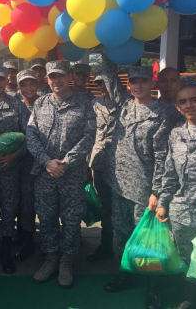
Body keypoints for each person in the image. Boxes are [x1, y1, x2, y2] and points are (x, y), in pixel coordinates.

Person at [100, 57, 172, 309]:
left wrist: (157, 191)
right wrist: (108, 48)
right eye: (133, 81)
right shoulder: (124, 104)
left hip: (144, 189)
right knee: (122, 233)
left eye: (143, 80)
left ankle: (153, 286)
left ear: (152, 82)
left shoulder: (163, 113)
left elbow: (164, 156)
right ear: (128, 85)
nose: (138, 85)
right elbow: (108, 75)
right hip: (118, 183)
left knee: (148, 240)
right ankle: (127, 274)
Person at [27, 60, 96, 289]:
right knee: (46, 218)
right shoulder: (40, 103)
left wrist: (66, 162)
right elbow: (31, 134)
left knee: (71, 219)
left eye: (61, 76)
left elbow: (89, 136)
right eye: (52, 77)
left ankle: (67, 261)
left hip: (72, 174)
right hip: (45, 173)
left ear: (69, 77)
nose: (56, 81)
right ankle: (50, 259)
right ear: (47, 79)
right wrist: (47, 162)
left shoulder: (85, 104)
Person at [156, 84, 196, 309]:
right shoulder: (176, 134)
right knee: (187, 258)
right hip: (182, 212)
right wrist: (163, 202)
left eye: (194, 99)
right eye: (183, 102)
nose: (189, 105)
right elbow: (169, 172)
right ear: (178, 107)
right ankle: (190, 297)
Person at [0, 65, 30, 274]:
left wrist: (15, 155)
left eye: (2, 79)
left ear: (6, 80)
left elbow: (30, 137)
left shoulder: (18, 105)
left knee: (9, 210)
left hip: (11, 168)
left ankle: (6, 253)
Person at [87, 74, 116, 262]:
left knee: (121, 208)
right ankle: (106, 246)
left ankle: (127, 249)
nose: (102, 86)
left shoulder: (126, 104)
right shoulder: (94, 103)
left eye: (106, 81)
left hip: (120, 163)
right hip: (98, 161)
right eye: (99, 83)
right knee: (106, 205)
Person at [14, 69, 40, 262]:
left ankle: (50, 241)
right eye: (24, 84)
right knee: (25, 204)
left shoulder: (46, 103)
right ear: (19, 87)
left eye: (31, 83)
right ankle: (27, 240)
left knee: (48, 205)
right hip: (23, 165)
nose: (28, 88)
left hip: (46, 163)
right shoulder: (15, 106)